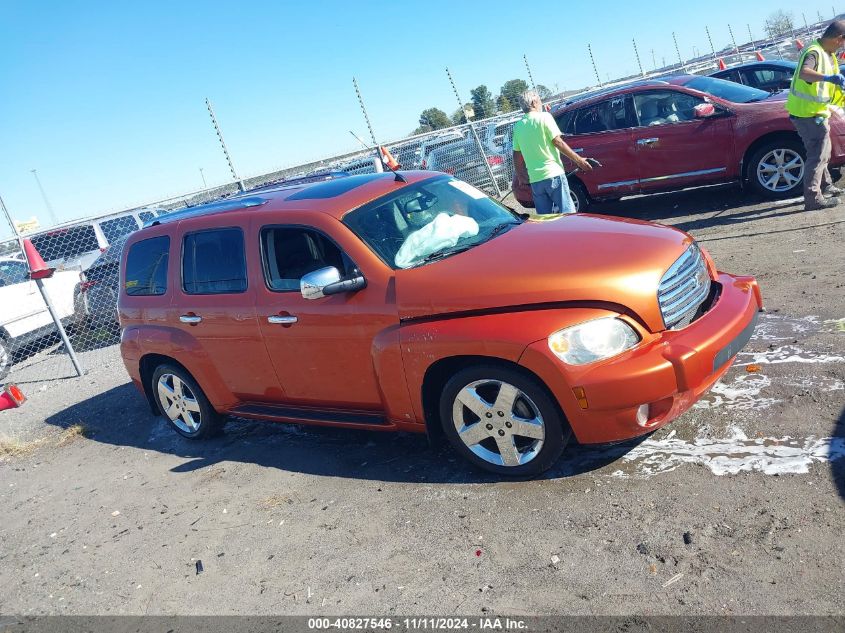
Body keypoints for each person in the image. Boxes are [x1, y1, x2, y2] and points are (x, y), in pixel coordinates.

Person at [786, 20, 845, 210]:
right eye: (843, 41)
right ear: (838, 39)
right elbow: (804, 73)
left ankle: (826, 186)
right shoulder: (814, 52)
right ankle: (813, 198)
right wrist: (828, 78)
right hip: (808, 114)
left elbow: (828, 90)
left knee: (823, 152)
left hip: (813, 112)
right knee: (817, 156)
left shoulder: (826, 53)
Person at [512, 89, 594, 214]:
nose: (541, 103)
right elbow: (558, 142)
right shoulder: (545, 117)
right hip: (553, 174)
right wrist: (579, 160)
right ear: (534, 102)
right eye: (539, 100)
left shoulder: (518, 126)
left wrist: (521, 176)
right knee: (568, 214)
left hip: (535, 180)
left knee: (546, 219)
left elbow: (516, 155)